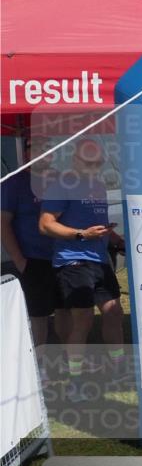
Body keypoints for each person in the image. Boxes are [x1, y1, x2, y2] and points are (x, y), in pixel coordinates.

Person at [38, 139, 126, 400]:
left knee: (113, 312)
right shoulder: (61, 186)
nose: (94, 167)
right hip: (72, 261)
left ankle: (120, 370)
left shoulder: (97, 186)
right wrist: (81, 234)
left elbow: (98, 224)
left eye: (98, 163)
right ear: (75, 160)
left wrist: (117, 240)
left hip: (99, 260)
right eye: (89, 162)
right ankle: (75, 382)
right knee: (83, 319)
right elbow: (45, 224)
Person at [1, 137, 70, 346]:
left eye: (47, 147)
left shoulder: (63, 180)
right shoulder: (15, 183)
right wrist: (19, 260)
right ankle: (39, 361)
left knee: (65, 310)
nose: (43, 152)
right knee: (38, 316)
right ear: (26, 153)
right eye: (36, 147)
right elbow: (3, 223)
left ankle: (69, 358)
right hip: (33, 259)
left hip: (64, 257)